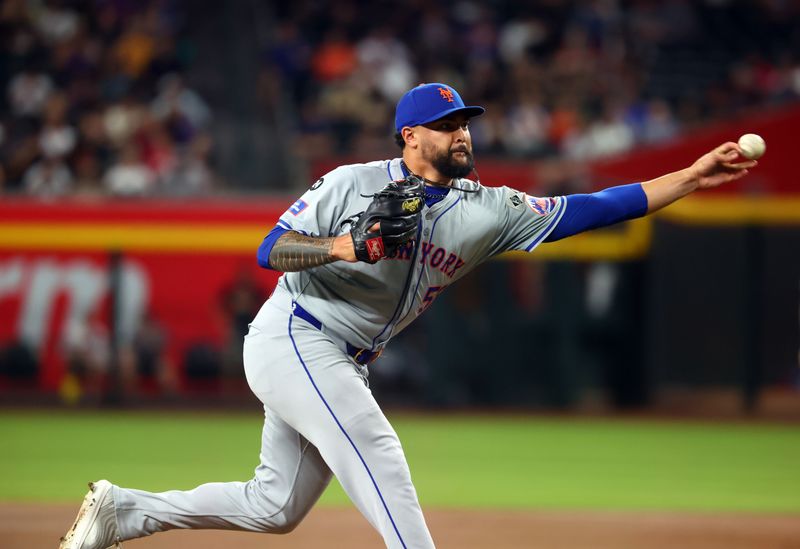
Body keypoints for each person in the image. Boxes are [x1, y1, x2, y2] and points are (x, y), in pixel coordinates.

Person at [59, 83, 757, 549]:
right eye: (449, 124)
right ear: (411, 134)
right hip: (297, 334)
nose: (464, 133)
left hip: (342, 356)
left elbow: (594, 209)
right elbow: (271, 250)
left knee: (274, 506)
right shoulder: (351, 183)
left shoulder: (489, 210)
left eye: (468, 123)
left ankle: (125, 510)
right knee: (378, 449)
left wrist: (692, 176)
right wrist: (348, 243)